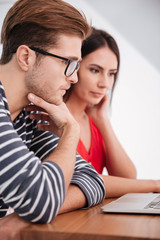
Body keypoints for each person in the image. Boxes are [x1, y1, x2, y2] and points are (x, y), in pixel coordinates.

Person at [0, 0, 105, 237]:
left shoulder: (29, 114)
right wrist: (70, 130)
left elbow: (93, 181)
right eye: (69, 63)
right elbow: (41, 203)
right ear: (26, 57)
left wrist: (22, 215)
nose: (74, 78)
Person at [64, 27, 160, 198]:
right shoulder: (51, 118)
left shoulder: (94, 120)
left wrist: (103, 121)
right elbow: (82, 179)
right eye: (95, 70)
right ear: (74, 66)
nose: (105, 83)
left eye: (111, 74)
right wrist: (153, 185)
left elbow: (127, 178)